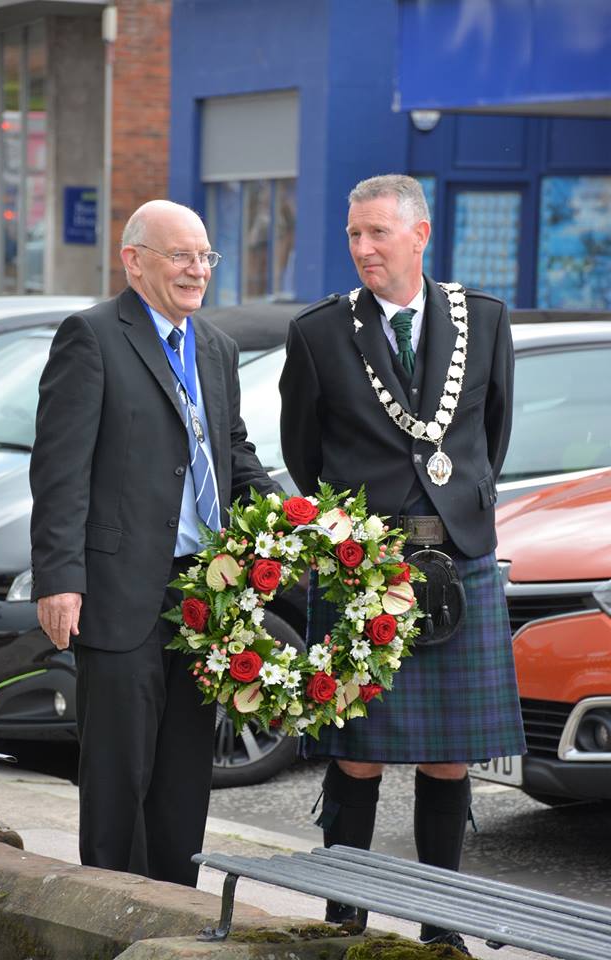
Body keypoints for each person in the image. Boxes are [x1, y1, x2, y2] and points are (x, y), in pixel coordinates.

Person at [279, 175, 526, 954]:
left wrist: (457, 519)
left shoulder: (482, 320)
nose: (363, 249)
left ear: (420, 235)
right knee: (356, 755)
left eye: (377, 233)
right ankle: (344, 914)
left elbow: (492, 430)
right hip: (364, 566)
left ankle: (438, 925)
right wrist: (359, 528)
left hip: (458, 561)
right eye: (354, 235)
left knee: (451, 758)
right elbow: (303, 450)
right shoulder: (319, 332)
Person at [30, 199, 280, 887]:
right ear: (133, 260)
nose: (197, 270)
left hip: (204, 594)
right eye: (181, 255)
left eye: (205, 256)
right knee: (117, 774)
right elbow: (60, 472)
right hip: (118, 591)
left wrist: (295, 521)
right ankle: (109, 916)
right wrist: (59, 577)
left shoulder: (218, 347)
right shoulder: (91, 337)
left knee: (183, 773)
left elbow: (232, 453)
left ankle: (178, 912)